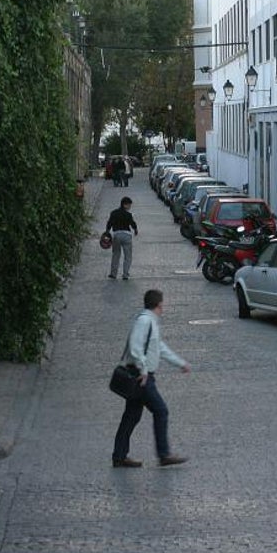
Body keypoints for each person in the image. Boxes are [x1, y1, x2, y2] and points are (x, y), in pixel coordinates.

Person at [112, 289, 190, 468]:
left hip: (140, 375)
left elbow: (159, 348)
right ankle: (163, 454)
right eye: (162, 305)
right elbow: (135, 346)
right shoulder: (145, 321)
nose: (163, 309)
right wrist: (144, 370)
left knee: (131, 416)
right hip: (141, 377)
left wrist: (180, 363)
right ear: (158, 305)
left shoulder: (150, 322)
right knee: (161, 410)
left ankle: (119, 456)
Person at [105, 196, 137, 279]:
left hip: (116, 235)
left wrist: (107, 232)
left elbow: (109, 223)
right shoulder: (128, 214)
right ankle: (125, 274)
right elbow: (133, 224)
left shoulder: (113, 213)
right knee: (128, 256)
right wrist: (135, 230)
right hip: (126, 236)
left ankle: (113, 273)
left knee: (116, 254)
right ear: (125, 205)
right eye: (129, 205)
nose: (130, 207)